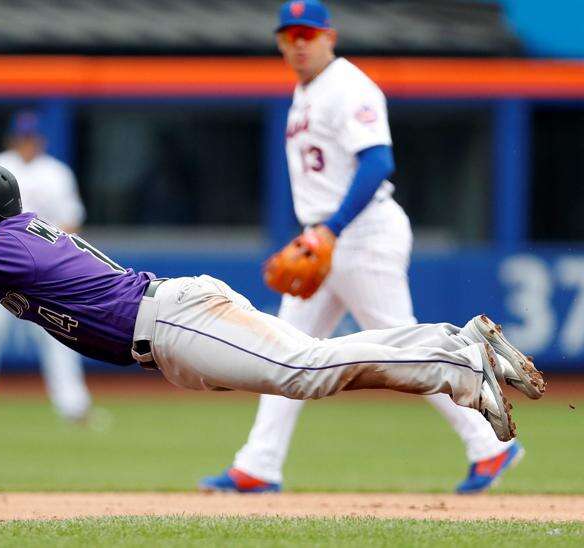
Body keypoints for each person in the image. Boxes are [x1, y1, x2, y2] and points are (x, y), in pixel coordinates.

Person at [0, 163, 544, 453]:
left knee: (309, 369)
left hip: (176, 322)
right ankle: (457, 364)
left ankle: (456, 349)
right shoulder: (14, 237)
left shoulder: (2, 250)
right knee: (313, 372)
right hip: (172, 333)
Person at [199, 0, 532, 495]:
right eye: (289, 35)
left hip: (361, 234)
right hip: (325, 238)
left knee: (401, 345)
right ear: (279, 42)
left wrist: (329, 229)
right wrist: (322, 232)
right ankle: (258, 464)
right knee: (285, 351)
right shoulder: (305, 91)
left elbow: (377, 162)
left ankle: (490, 444)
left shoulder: (348, 86)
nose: (299, 43)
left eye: (308, 34)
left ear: (330, 36)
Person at [0, 110, 90, 423]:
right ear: (12, 139)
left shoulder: (56, 173)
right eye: (22, 137)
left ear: (41, 140)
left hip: (43, 271)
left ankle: (74, 406)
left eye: (32, 137)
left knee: (60, 334)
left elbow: (71, 222)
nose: (27, 143)